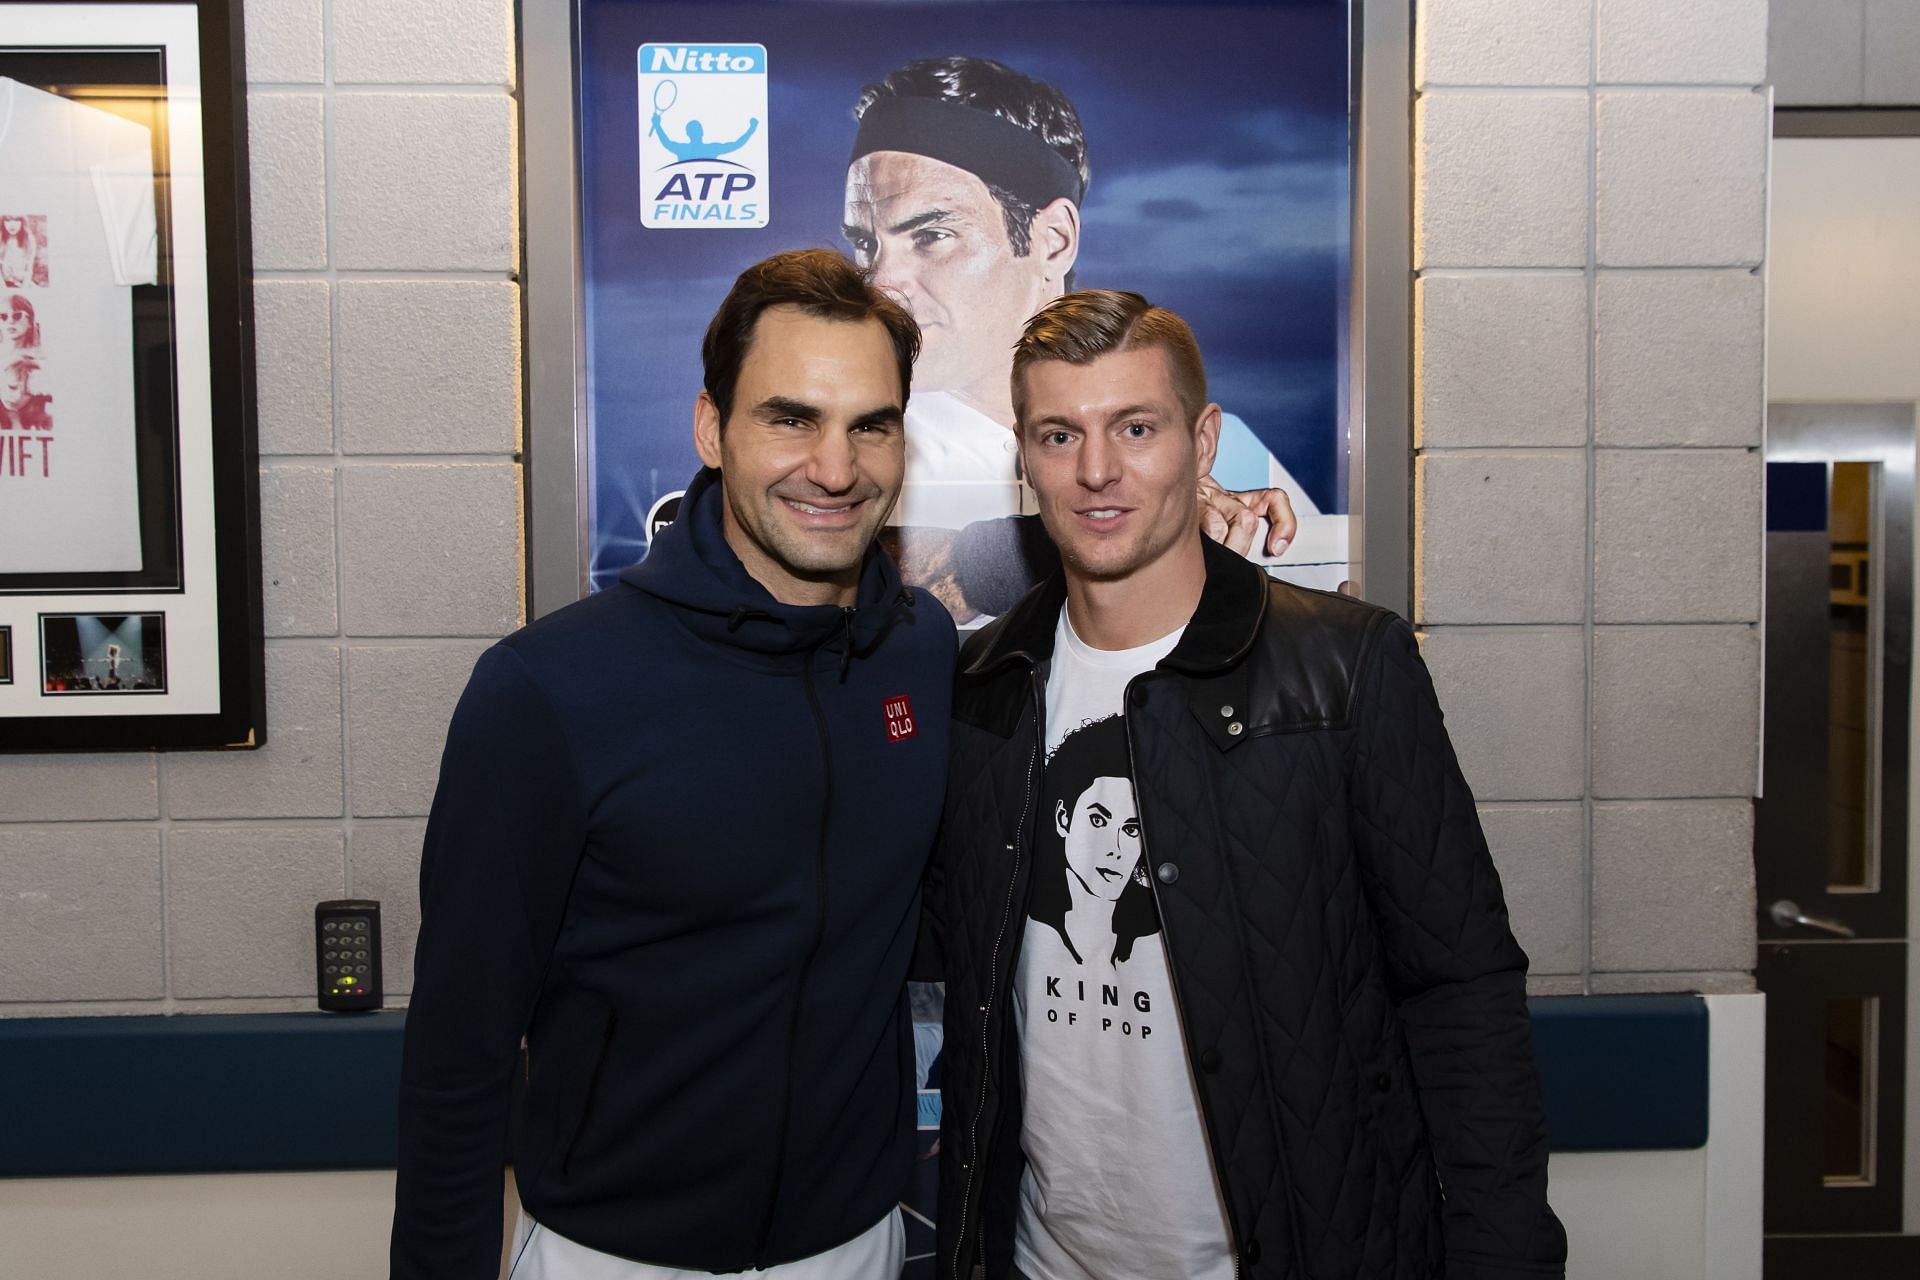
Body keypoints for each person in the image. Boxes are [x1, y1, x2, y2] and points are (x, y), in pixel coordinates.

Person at [922, 290, 1566, 1280]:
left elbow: (1461, 991)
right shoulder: (984, 687)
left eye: (1136, 427)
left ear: (1203, 437)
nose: (1098, 470)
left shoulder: (1345, 670)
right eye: (1061, 434)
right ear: (1026, 456)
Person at [391, 249, 953, 1279]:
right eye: (791, 417)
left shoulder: (919, 655)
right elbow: (457, 1054)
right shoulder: (548, 689)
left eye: (869, 423)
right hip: (614, 1253)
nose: (835, 466)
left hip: (859, 1243)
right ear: (711, 428)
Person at [842, 56, 1309, 619]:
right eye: (866, 244)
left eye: (932, 234)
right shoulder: (857, 447)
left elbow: (1306, 616)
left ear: (1054, 240)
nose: (881, 281)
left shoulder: (1232, 454)